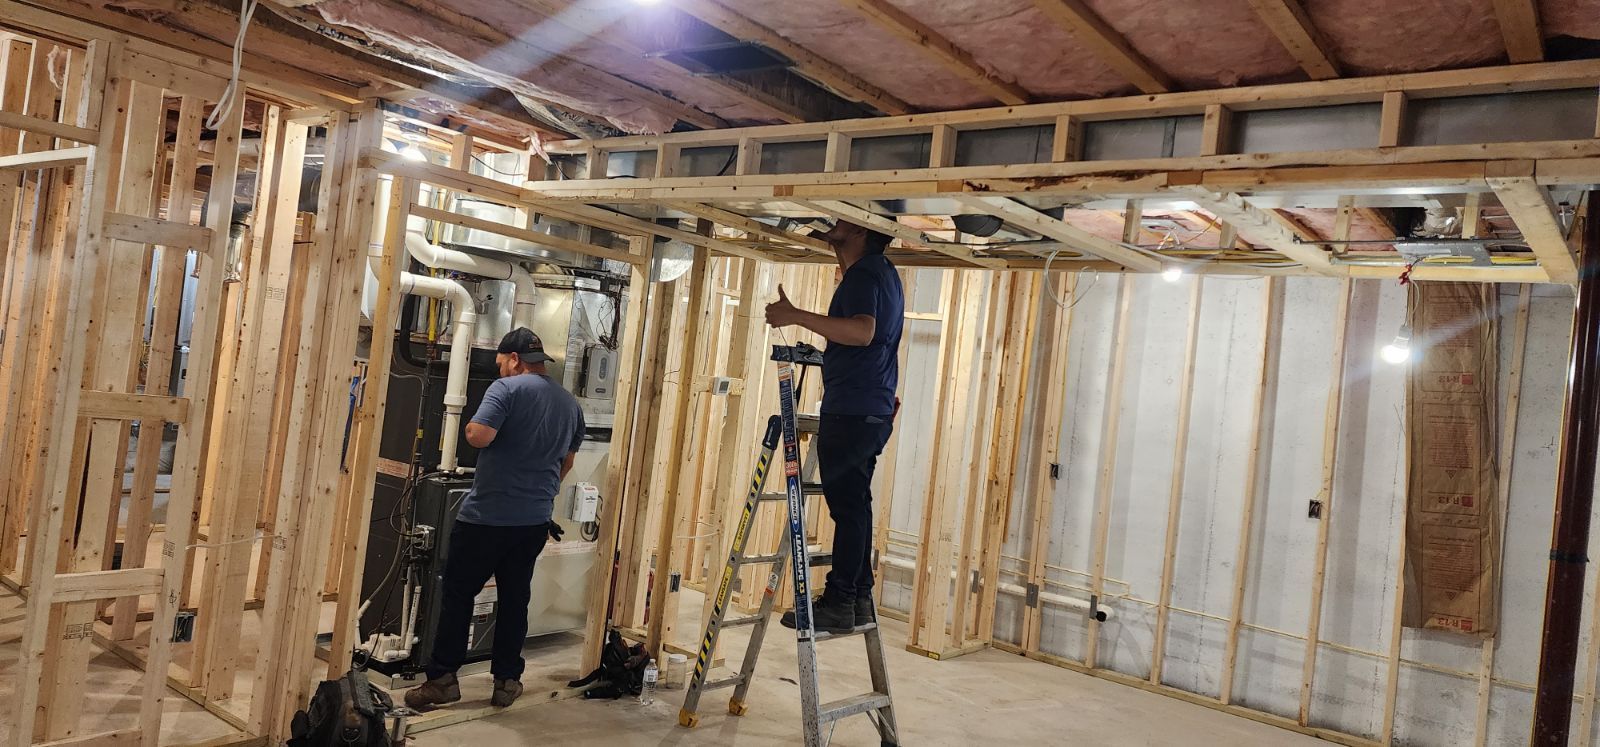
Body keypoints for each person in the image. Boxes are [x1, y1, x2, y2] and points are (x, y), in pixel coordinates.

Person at [405, 328, 585, 710]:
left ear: (515, 359)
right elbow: (567, 462)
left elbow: (480, 436)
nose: (500, 368)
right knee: (515, 598)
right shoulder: (570, 404)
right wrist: (540, 492)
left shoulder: (505, 389)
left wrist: (471, 426)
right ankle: (506, 681)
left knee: (458, 595)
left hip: (486, 518)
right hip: (533, 521)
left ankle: (443, 680)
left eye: (501, 362)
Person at [764, 219, 904, 634]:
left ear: (862, 230)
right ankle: (858, 597)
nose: (832, 221)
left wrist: (794, 315)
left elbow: (862, 332)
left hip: (853, 409)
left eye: (842, 219)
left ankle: (841, 600)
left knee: (848, 509)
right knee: (856, 505)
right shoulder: (881, 272)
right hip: (869, 408)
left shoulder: (864, 274)